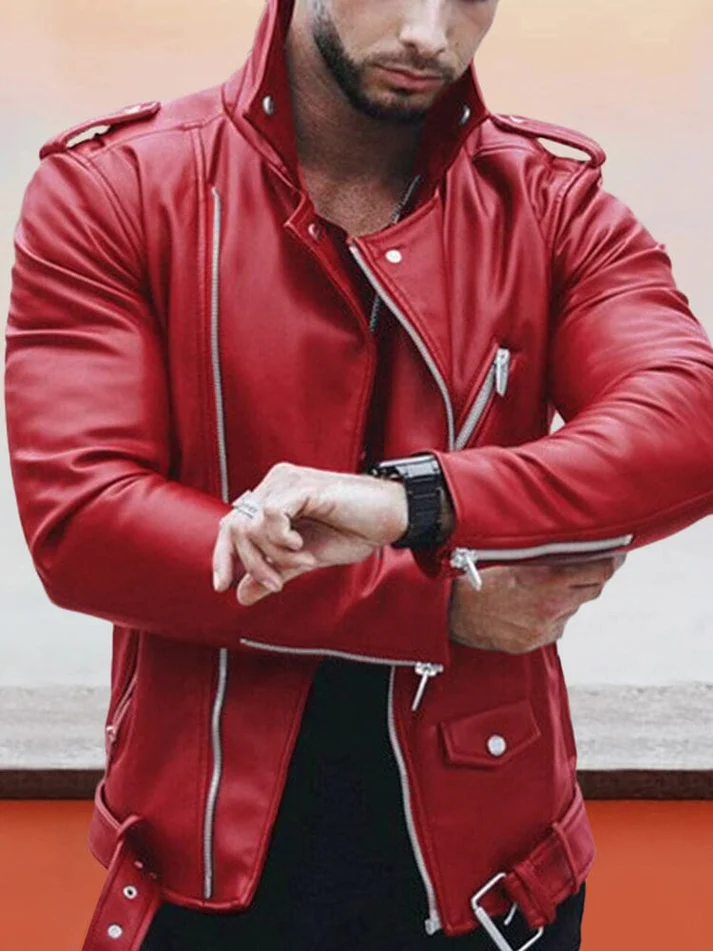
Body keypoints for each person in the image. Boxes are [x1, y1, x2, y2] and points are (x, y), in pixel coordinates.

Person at [5, 0, 713, 949]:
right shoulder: (114, 186)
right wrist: (433, 607)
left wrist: (414, 499)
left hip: (495, 885)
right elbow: (85, 520)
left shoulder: (549, 198)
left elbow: (687, 419)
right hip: (203, 872)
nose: (427, 32)